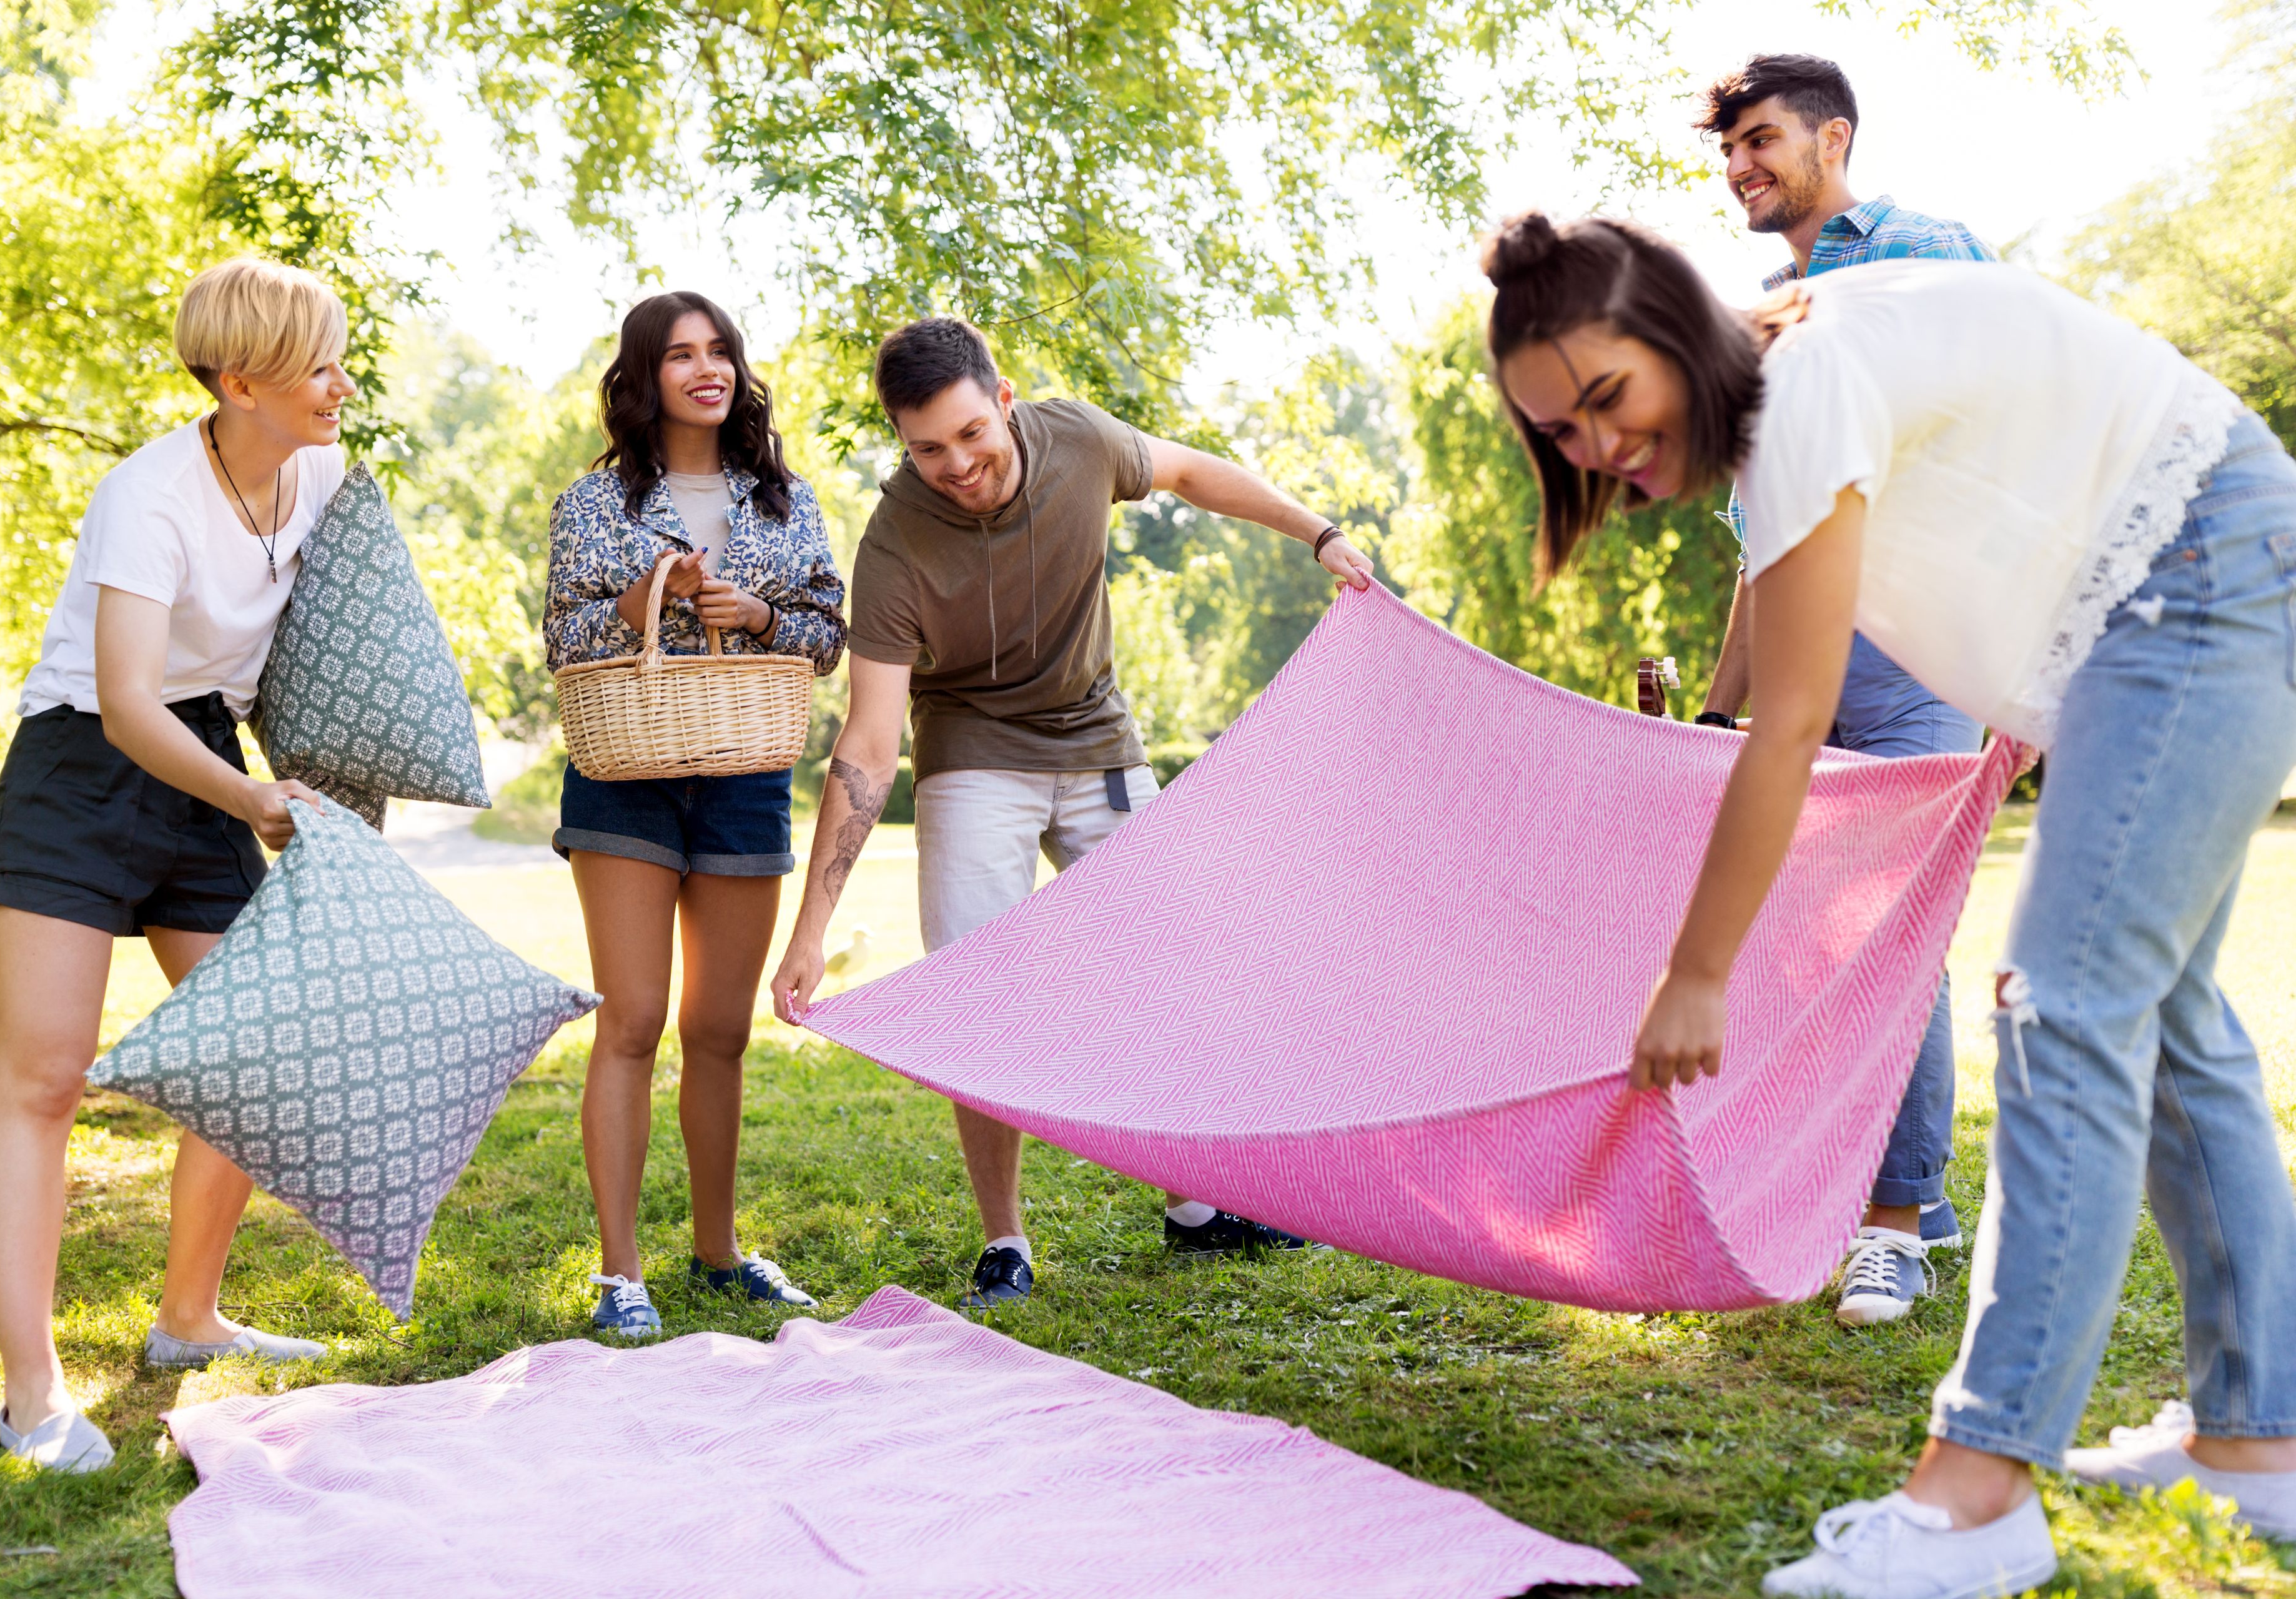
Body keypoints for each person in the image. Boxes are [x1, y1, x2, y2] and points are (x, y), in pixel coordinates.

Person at [1482, 210, 2296, 1597]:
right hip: (2191, 575)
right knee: (2168, 1022)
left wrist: (1699, 970)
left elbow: (1793, 723)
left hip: (2198, 576)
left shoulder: (1803, 384)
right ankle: (2260, 1439)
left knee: (2070, 1011)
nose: (1600, 449)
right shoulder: (1802, 369)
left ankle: (1978, 1493)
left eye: (1609, 397)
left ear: (1673, 327)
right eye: (1561, 434)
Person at [769, 317, 1372, 1310]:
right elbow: (871, 745)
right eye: (928, 448)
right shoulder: (894, 548)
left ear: (1004, 398)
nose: (958, 464)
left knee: (1176, 966)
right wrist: (812, 931)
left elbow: (1190, 473)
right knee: (975, 1000)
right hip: (975, 757)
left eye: (972, 433)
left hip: (1098, 740)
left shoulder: (1080, 441)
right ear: (902, 442)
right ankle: (1005, 1241)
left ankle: (1196, 1206)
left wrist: (1320, 534)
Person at [0, 258, 352, 1472]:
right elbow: (130, 703)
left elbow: (326, 649)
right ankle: (32, 1397)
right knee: (43, 1072)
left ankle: (187, 1319)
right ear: (241, 382)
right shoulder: (146, 497)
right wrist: (255, 800)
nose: (341, 383)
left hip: (207, 761)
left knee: (255, 1049)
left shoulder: (325, 472)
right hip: (82, 765)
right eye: (318, 365)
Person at [1691, 52, 2000, 1329]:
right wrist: (1719, 712)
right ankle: (1890, 1194)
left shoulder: (1924, 247)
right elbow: (1768, 541)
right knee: (1815, 937)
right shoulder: (1762, 312)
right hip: (1811, 674)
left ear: (1835, 138)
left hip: (1923, 653)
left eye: (1762, 139)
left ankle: (1892, 1225)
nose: (1742, 166)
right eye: (1728, 152)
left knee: (1892, 938)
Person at [544, 290, 848, 1332]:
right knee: (629, 1022)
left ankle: (718, 1253)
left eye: (720, 351)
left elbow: (825, 627)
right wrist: (648, 599)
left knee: (719, 1029)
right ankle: (620, 1271)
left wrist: (757, 613)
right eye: (681, 356)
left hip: (746, 772)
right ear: (645, 377)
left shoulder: (784, 498)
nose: (706, 369)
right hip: (625, 772)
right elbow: (564, 638)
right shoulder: (593, 504)